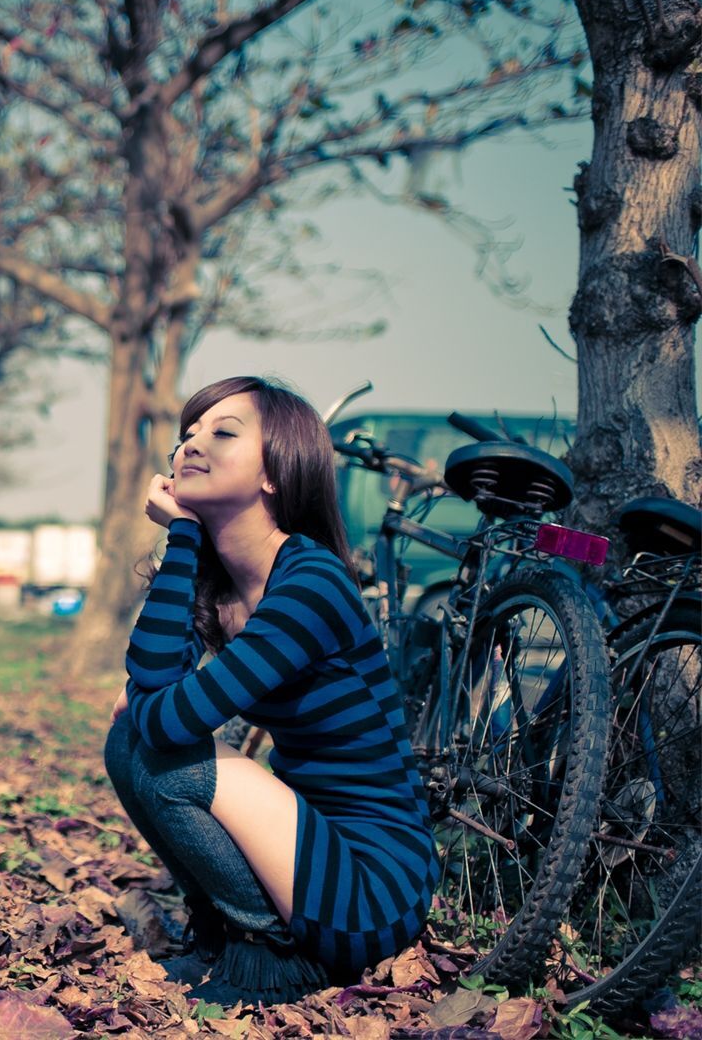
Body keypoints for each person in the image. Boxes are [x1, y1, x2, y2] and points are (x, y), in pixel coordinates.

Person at [103, 375, 437, 1005]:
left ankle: (271, 955)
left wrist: (153, 710)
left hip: (370, 885)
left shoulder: (312, 583)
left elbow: (170, 723)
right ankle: (224, 937)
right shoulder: (219, 587)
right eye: (188, 434)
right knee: (129, 742)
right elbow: (147, 690)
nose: (191, 446)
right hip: (304, 847)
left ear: (276, 474)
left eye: (223, 433)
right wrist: (183, 541)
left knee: (163, 755)